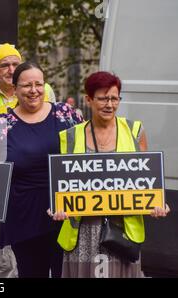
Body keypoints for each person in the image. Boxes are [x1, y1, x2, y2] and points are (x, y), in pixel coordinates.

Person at [0, 61, 83, 278]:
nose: (34, 90)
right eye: (26, 86)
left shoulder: (66, 114)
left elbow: (88, 154)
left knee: (67, 274)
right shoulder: (0, 124)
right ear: (14, 90)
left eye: (39, 84)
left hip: (66, 213)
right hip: (23, 217)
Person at [50, 71, 170, 278]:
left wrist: (157, 203)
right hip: (82, 233)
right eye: (103, 98)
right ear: (89, 100)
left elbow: (147, 179)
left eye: (114, 98)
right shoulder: (69, 137)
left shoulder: (135, 131)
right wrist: (58, 207)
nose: (109, 104)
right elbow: (63, 184)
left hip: (121, 232)